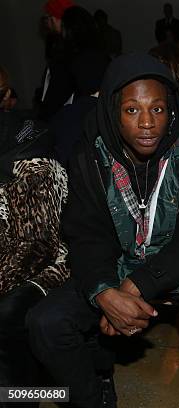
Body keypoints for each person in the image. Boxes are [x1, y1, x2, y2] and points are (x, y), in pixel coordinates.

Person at [26, 53, 179, 408]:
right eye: (132, 110)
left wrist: (137, 285)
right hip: (119, 261)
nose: (147, 123)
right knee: (45, 322)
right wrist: (105, 292)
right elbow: (85, 233)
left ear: (172, 111)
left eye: (158, 110)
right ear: (113, 112)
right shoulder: (91, 154)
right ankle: (92, 397)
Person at [0, 86, 69, 408]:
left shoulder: (32, 163)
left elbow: (35, 249)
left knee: (8, 314)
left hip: (43, 268)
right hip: (10, 263)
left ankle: (27, 396)